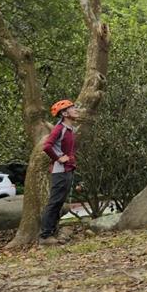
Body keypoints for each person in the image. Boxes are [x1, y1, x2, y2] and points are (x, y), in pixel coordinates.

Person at [39, 99, 80, 246]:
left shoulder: (70, 129)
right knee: (54, 203)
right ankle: (45, 236)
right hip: (60, 171)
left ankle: (53, 232)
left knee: (59, 203)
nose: (76, 109)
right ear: (64, 113)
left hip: (68, 170)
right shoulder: (59, 128)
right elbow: (47, 146)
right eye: (72, 108)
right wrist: (58, 158)